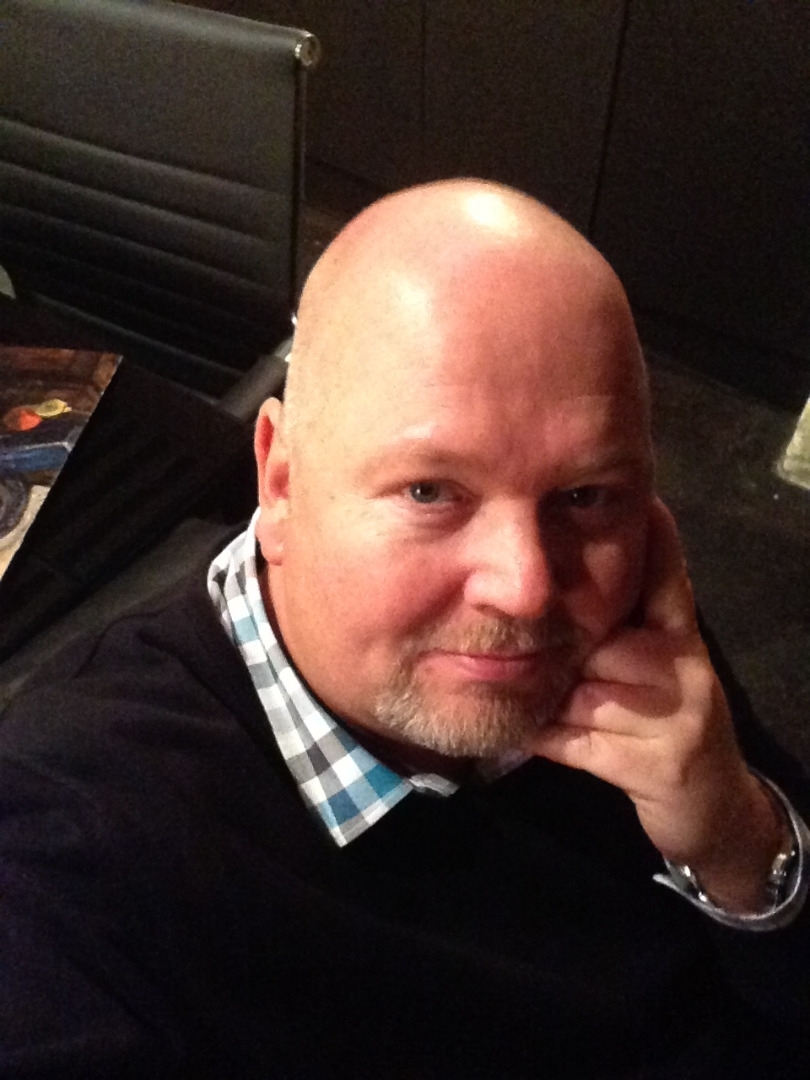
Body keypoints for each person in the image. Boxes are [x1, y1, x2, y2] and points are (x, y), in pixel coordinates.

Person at [0, 180, 808, 1079]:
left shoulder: (631, 618)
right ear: (281, 483)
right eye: (430, 492)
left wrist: (740, 841)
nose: (528, 589)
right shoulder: (69, 846)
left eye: (583, 494)